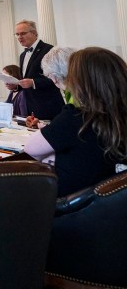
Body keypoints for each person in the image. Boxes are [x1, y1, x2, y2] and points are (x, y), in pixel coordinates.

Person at [25, 47, 127, 196]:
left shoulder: (77, 116)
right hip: (112, 208)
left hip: (72, 211)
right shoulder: (117, 114)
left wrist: (56, 158)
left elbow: (31, 149)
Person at [6, 20, 64, 120]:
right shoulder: (22, 55)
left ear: (34, 33)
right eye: (17, 34)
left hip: (48, 106)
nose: (20, 37)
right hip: (29, 107)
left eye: (23, 33)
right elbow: (25, 81)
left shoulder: (49, 50)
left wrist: (33, 82)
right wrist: (15, 85)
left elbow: (58, 77)